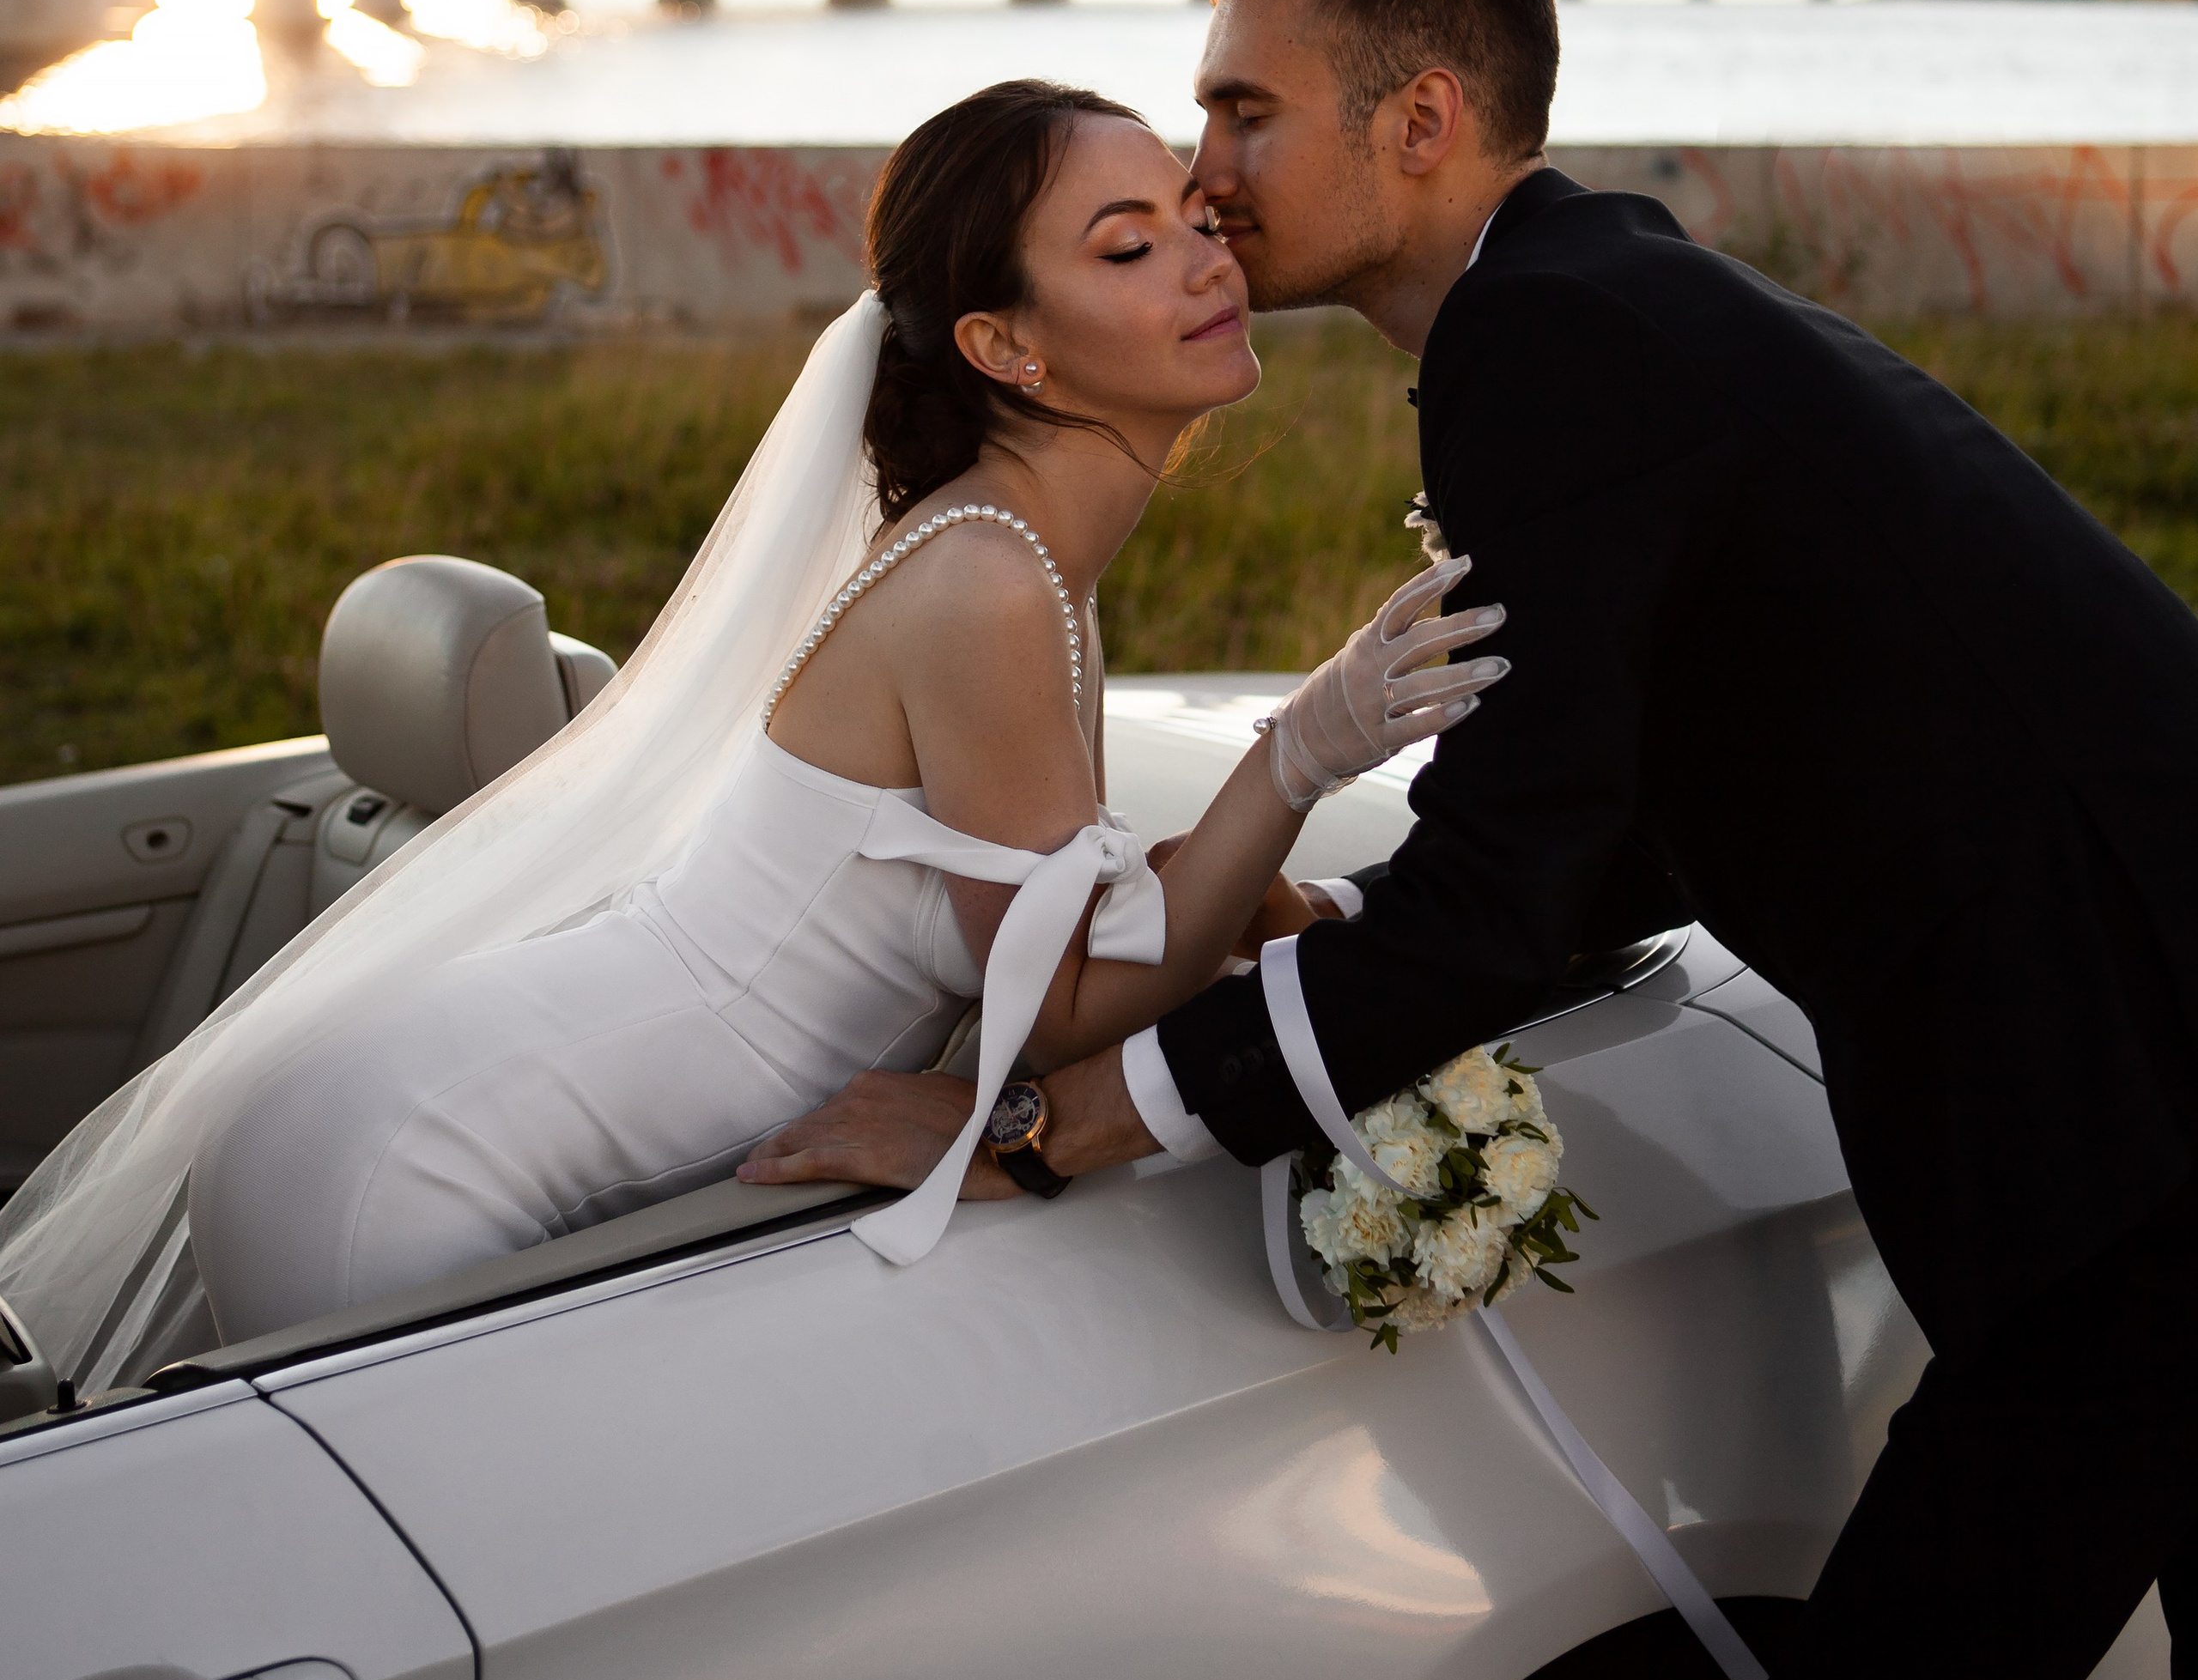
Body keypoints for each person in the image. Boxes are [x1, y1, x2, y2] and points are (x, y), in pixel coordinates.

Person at [746, 0, 2198, 1680]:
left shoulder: (1555, 343)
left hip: (2137, 1163)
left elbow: (1515, 877)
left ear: (1417, 119)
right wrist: (1353, 953)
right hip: (2126, 1114)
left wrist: (1075, 1115)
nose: (1202, 166)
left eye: (1240, 109)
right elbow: (1614, 787)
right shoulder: (1596, 303)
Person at [0, 78, 1503, 1388]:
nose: (1202, 258)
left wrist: (1240, 884)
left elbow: (1064, 926)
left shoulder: (1016, 559)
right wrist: (1301, 750)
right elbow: (1064, 1012)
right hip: (411, 1166)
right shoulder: (988, 579)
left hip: (416, 1115)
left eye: (1188, 215)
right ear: (1007, 347)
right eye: (1127, 246)